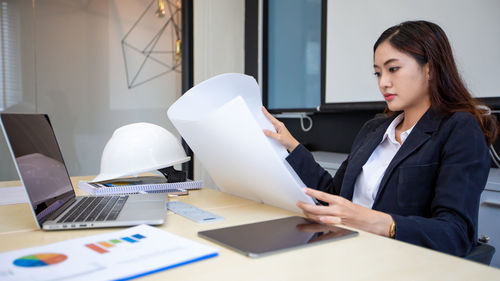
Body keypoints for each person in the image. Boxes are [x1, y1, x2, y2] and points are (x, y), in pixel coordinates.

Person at [262, 20, 498, 257]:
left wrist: (376, 222)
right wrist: (291, 145)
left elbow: (455, 235)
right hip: (346, 250)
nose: (383, 82)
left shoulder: (460, 129)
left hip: (401, 264)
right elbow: (334, 196)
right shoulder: (374, 129)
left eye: (393, 69)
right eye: (378, 73)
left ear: (430, 69)